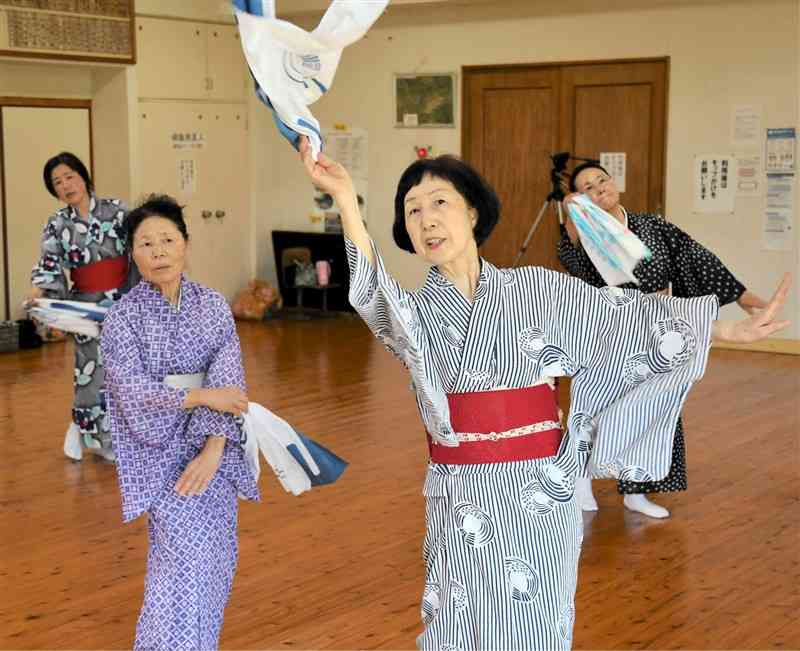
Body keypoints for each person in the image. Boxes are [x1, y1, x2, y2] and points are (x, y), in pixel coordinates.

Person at [298, 137, 789, 650]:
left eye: (440, 202)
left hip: (539, 489)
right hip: (459, 493)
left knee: (538, 622)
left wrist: (728, 331)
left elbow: (629, 320)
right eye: (413, 210)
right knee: (455, 623)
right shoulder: (415, 314)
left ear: (471, 211)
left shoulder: (539, 290)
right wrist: (345, 198)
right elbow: (375, 294)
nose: (426, 219)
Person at [558, 162, 768, 518]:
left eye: (602, 181)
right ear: (583, 199)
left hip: (657, 326)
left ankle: (636, 489)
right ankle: (579, 479)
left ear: (615, 183)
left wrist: (749, 302)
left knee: (654, 404)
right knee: (594, 406)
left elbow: (697, 259)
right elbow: (572, 259)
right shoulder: (584, 231)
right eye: (588, 188)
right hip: (610, 326)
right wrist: (573, 213)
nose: (600, 189)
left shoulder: (653, 226)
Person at [100, 195, 259, 650]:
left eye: (168, 239)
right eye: (146, 244)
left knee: (216, 559)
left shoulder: (212, 306)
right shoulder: (122, 317)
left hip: (212, 451)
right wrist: (201, 394)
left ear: (186, 244)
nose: (159, 251)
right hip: (157, 451)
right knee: (180, 561)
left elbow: (230, 380)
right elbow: (130, 390)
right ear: (133, 254)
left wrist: (213, 450)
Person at [28, 152, 135, 462]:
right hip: (86, 307)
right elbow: (48, 267)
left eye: (69, 176)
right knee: (92, 374)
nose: (65, 185)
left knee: (128, 373)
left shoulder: (117, 211)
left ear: (84, 177)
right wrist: (39, 294)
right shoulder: (57, 223)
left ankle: (125, 434)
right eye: (57, 182)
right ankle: (99, 439)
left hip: (125, 303)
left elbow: (143, 244)